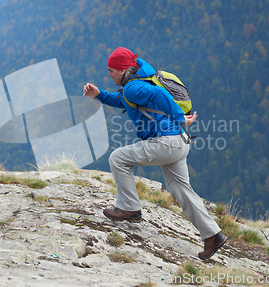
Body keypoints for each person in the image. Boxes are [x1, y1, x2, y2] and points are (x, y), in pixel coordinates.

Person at [83, 47, 227, 260]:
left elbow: (160, 94)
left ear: (123, 70)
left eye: (112, 70)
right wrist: (99, 95)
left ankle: (129, 208)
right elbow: (123, 99)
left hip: (165, 142)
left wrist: (178, 116)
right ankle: (213, 235)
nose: (109, 74)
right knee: (180, 189)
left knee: (118, 158)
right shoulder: (137, 82)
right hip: (178, 141)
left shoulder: (133, 87)